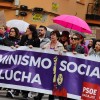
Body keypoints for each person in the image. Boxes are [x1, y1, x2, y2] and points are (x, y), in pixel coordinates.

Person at [34, 30, 64, 100]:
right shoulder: (47, 44)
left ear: (57, 37)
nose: (52, 36)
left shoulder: (60, 46)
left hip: (55, 67)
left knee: (53, 83)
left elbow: (62, 57)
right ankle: (39, 95)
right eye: (51, 35)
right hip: (47, 67)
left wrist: (61, 53)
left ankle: (51, 97)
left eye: (54, 35)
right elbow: (41, 52)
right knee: (44, 81)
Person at [16, 24, 40, 98]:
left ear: (31, 31)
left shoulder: (36, 40)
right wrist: (17, 46)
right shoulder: (24, 37)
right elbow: (20, 45)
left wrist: (33, 48)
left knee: (27, 76)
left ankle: (25, 92)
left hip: (30, 61)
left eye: (28, 28)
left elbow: (37, 50)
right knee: (20, 74)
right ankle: (17, 90)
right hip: (22, 59)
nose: (26, 29)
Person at [0, 27, 20, 98]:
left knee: (11, 76)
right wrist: (9, 46)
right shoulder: (5, 39)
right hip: (4, 61)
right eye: (10, 31)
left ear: (16, 33)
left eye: (13, 31)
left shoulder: (19, 41)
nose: (11, 32)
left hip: (13, 62)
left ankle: (10, 90)